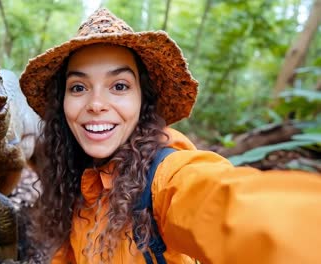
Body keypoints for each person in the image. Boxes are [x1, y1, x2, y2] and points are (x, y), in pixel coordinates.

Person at [19, 8, 321, 264]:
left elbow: (235, 210)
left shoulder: (166, 179)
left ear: (142, 99)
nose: (96, 104)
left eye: (120, 86)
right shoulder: (72, 174)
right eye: (79, 87)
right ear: (63, 103)